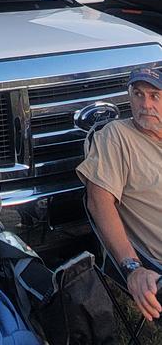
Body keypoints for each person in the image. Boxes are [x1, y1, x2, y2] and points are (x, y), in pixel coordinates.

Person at [77, 66, 162, 322]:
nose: (145, 104)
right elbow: (98, 202)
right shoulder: (117, 136)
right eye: (138, 94)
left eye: (155, 96)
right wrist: (132, 267)